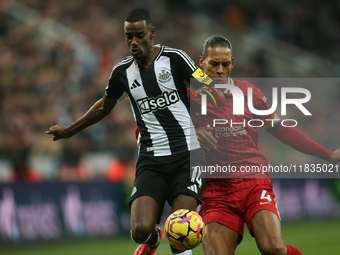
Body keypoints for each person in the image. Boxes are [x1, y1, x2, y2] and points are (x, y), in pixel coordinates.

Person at [46, 8, 205, 255]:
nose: (133, 41)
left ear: (151, 33)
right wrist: (70, 130)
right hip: (151, 160)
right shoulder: (122, 73)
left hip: (188, 155)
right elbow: (103, 107)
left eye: (139, 35)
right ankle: (153, 240)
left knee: (180, 229)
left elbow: (209, 87)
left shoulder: (175, 58)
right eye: (128, 36)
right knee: (139, 231)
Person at [189, 35, 340, 255]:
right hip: (215, 191)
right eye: (214, 64)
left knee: (273, 248)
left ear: (233, 63)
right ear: (201, 62)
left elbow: (282, 129)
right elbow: (150, 128)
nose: (220, 70)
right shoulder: (189, 95)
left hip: (253, 182)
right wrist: (192, 132)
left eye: (225, 64)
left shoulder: (249, 92)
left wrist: (328, 155)